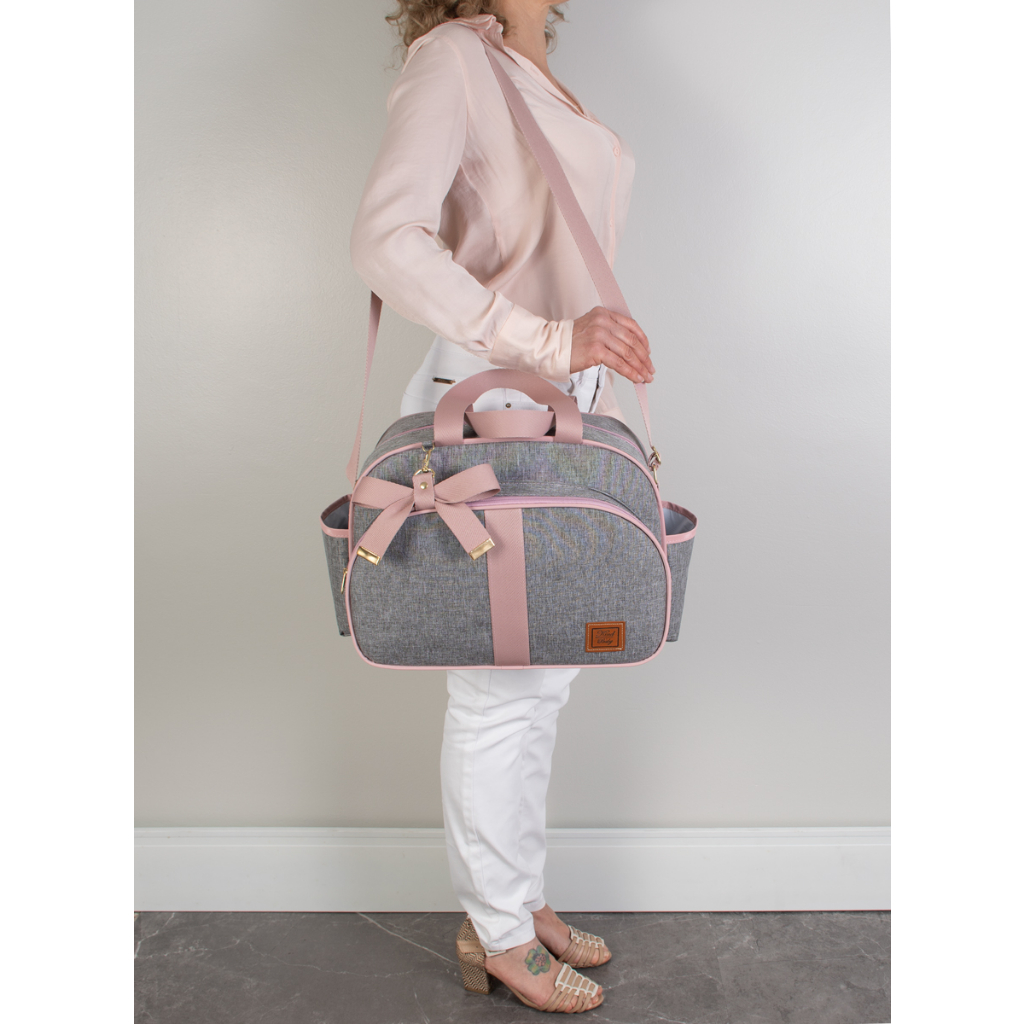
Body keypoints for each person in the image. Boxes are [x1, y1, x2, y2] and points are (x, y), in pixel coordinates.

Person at [350, 0, 655, 1013]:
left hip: (560, 409)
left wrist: (585, 364)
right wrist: (547, 339)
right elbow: (386, 239)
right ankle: (497, 931)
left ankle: (516, 900)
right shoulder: (454, 58)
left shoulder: (525, 70)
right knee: (498, 696)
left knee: (542, 684)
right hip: (493, 410)